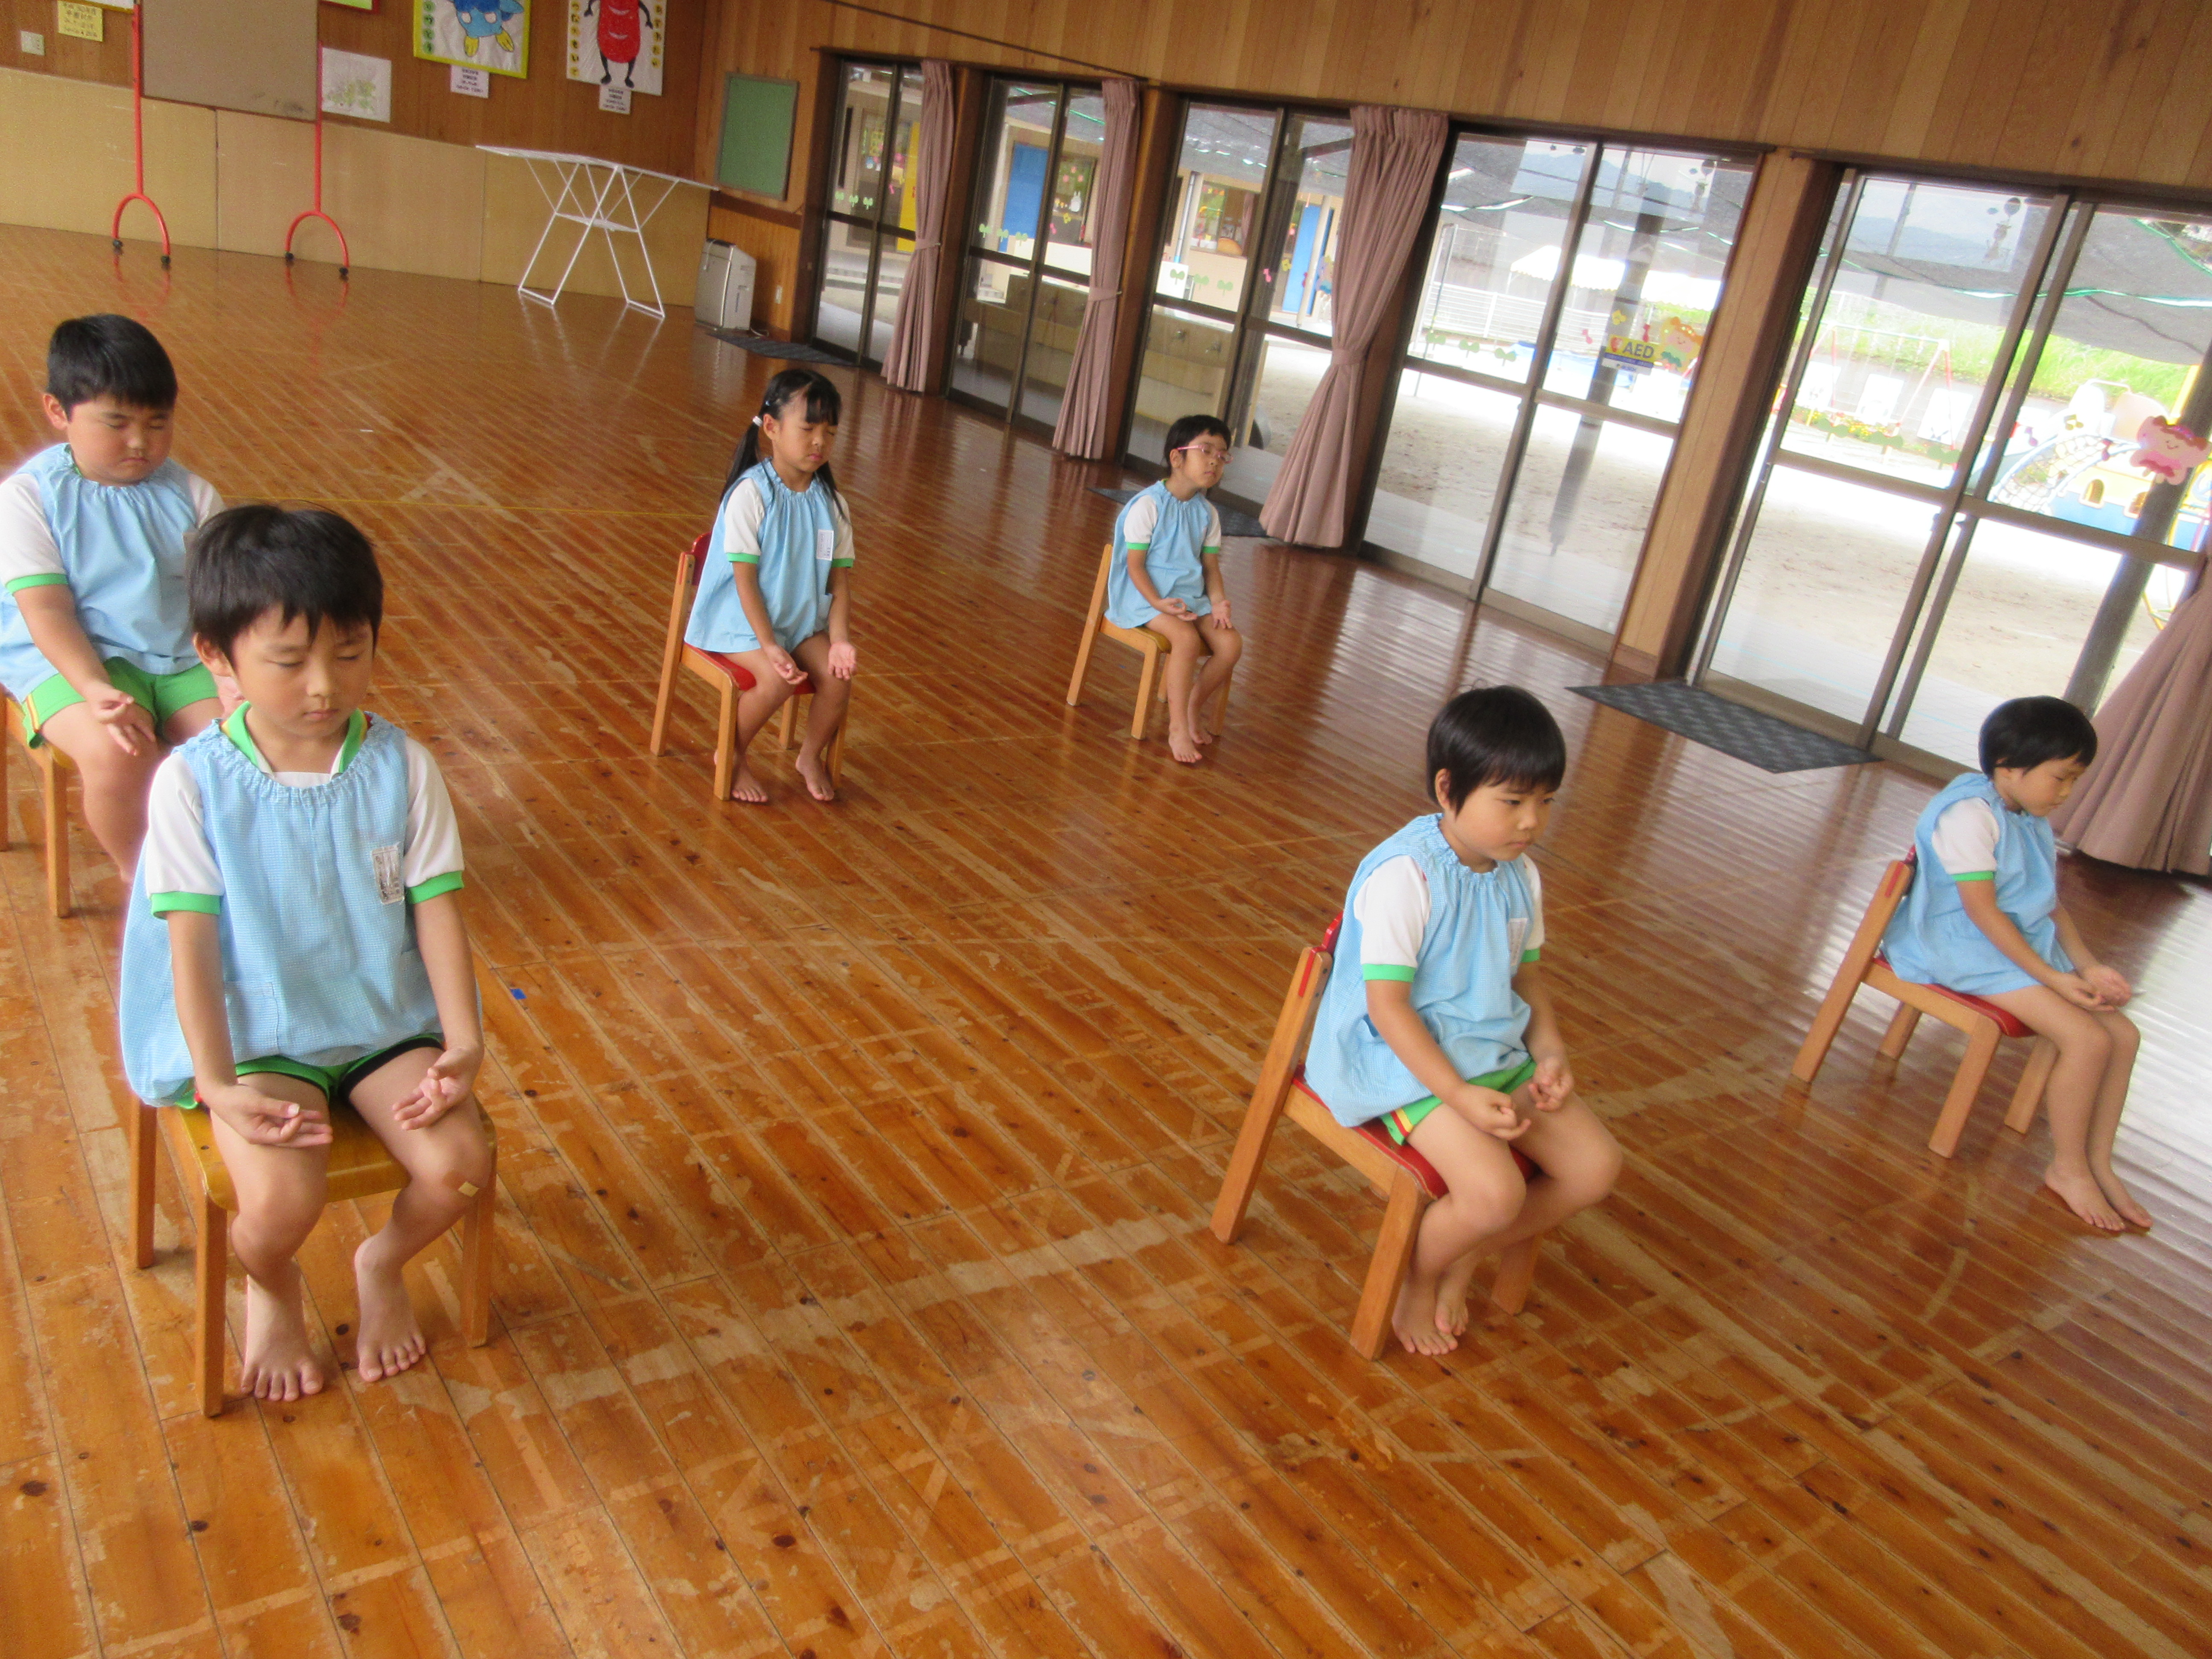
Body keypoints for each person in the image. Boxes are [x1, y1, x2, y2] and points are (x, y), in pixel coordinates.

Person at [118, 505, 491, 1402]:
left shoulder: (404, 765)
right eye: (289, 662)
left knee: (458, 1169)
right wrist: (218, 1083)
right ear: (217, 657)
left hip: (380, 1021)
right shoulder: (191, 783)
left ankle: (381, 1264)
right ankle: (273, 1283)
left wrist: (463, 1043)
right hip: (260, 1034)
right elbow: (189, 948)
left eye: (351, 652)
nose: (325, 686)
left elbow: (438, 914)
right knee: (281, 1206)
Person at [1304, 687, 1620, 1356]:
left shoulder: (1520, 874)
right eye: (1513, 801)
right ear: (1448, 790)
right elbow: (1388, 1008)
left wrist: (1552, 1052)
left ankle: (1465, 1250)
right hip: (1403, 1064)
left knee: (1595, 1169)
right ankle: (1420, 1278)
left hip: (1490, 1051)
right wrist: (1457, 1094)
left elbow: (1526, 978)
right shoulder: (1406, 876)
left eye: (1546, 801)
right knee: (1495, 1193)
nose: (1532, 821)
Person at [1883, 695, 2146, 1231]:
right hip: (1960, 947)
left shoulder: (2027, 813)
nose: (2067, 793)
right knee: (2088, 1040)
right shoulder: (1968, 816)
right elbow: (1982, 913)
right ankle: (2068, 1168)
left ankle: (2099, 1164)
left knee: (2124, 1036)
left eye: (2075, 779)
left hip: (2008, 947)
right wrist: (2054, 978)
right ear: (2009, 767)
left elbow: (2045, 903)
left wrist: (2087, 966)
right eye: (2061, 778)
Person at [0, 314, 225, 879]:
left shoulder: (193, 494)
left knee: (244, 739)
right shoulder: (27, 498)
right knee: (118, 752)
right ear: (58, 411)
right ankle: (146, 879)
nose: (140, 442)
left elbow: (224, 597)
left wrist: (234, 675)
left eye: (158, 423)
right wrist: (94, 686)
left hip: (178, 656)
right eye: (117, 422)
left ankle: (229, 866)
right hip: (68, 660)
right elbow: (47, 611)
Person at [682, 368, 856, 804]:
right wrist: (769, 646)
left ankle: (809, 757)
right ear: (772, 428)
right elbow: (744, 583)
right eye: (808, 429)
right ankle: (732, 753)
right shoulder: (751, 494)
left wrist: (839, 641)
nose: (820, 441)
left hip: (799, 625)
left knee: (838, 681)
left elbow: (839, 582)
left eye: (830, 432)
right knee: (776, 681)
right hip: (739, 624)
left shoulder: (833, 506)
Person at [1106, 414, 1244, 765]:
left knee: (1231, 644)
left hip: (1191, 599)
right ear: (1177, 457)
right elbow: (1135, 566)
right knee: (1185, 639)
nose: (1215, 461)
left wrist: (1218, 603)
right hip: (1144, 597)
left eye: (1222, 455)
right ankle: (1178, 726)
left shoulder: (1208, 514)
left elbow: (1210, 567)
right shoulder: (1148, 505)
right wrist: (1158, 602)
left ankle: (1193, 704)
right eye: (1206, 451)